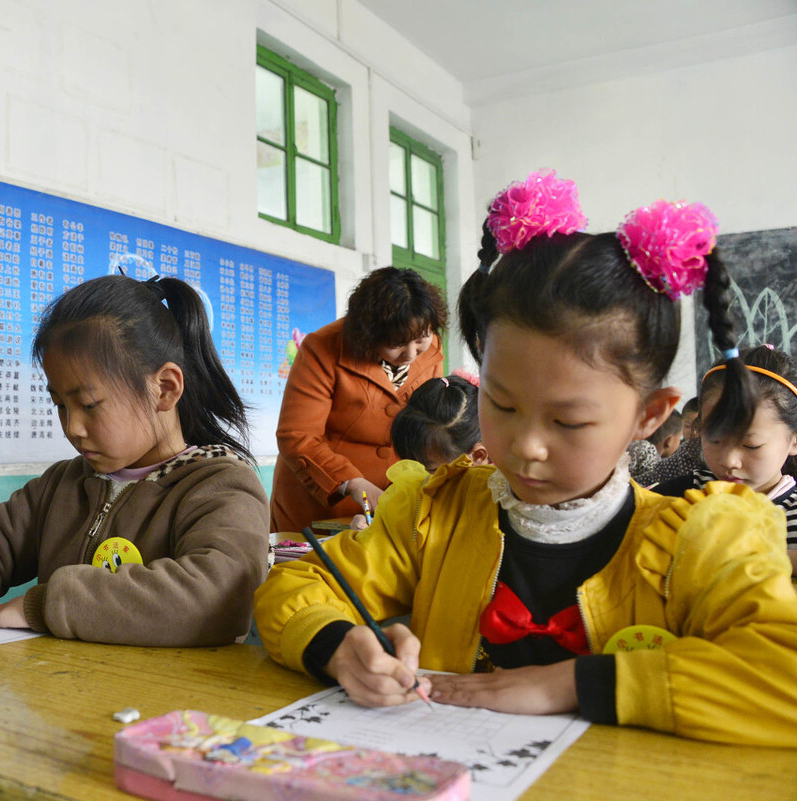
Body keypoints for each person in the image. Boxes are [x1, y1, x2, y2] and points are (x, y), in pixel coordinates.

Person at [253, 170, 797, 744]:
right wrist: (337, 644)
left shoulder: (696, 541)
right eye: (502, 404)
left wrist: (569, 684)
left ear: (650, 415)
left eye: (569, 421)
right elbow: (295, 586)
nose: (525, 445)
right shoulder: (434, 514)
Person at [0, 274, 271, 646]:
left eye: (89, 405)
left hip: (165, 717)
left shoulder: (220, 486)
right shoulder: (66, 483)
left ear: (164, 388)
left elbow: (218, 597)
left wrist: (46, 604)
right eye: (60, 405)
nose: (72, 428)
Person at [270, 267, 446, 533]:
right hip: (320, 504)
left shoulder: (431, 349)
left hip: (391, 505)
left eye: (421, 338)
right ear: (369, 333)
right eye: (397, 343)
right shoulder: (323, 348)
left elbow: (430, 423)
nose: (411, 353)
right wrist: (350, 482)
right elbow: (298, 435)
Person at [654, 344, 797, 575]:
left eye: (751, 445)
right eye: (715, 439)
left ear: (794, 441)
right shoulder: (682, 495)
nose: (730, 460)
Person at [348, 371, 488, 530]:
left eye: (432, 470)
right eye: (411, 466)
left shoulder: (498, 508)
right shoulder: (417, 488)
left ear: (477, 456)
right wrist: (371, 534)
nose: (420, 479)